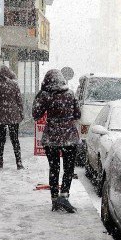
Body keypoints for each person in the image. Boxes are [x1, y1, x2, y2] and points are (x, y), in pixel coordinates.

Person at [32, 69, 81, 213]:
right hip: (69, 137)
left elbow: (35, 114)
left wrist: (40, 94)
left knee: (54, 169)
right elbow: (77, 114)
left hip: (51, 138)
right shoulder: (71, 94)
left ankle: (54, 200)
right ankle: (64, 196)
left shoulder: (46, 96)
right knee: (68, 169)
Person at [0, 65, 24, 170]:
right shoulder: (14, 84)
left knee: (1, 139)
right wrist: (21, 113)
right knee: (15, 139)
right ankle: (19, 162)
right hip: (13, 114)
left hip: (0, 114)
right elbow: (19, 100)